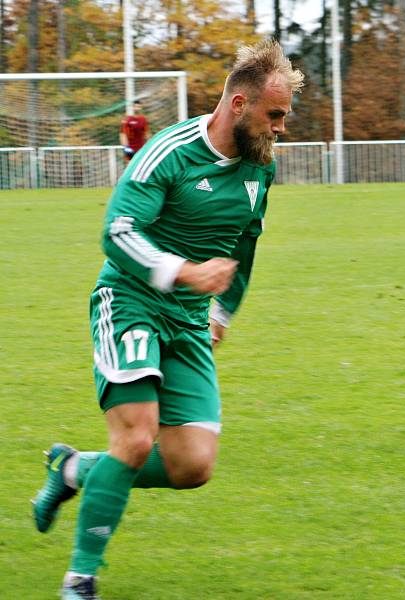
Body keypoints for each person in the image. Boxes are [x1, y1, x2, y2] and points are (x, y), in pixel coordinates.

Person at [31, 38, 304, 599]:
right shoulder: (169, 151)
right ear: (238, 105)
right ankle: (80, 577)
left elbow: (245, 245)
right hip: (130, 302)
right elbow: (117, 232)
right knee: (135, 440)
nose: (281, 128)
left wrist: (223, 309)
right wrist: (184, 272)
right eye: (274, 115)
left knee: (192, 466)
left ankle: (74, 471)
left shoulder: (260, 169)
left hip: (188, 320)